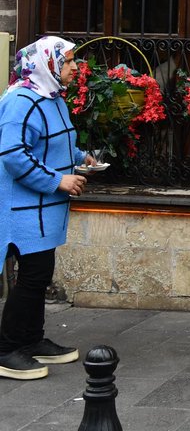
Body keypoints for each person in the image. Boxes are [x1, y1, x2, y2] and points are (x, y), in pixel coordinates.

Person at [0, 37, 93, 380]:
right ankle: (7, 349)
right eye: (68, 61)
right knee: (33, 276)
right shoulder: (22, 100)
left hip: (42, 208)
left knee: (38, 274)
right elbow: (13, 155)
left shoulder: (51, 96)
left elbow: (58, 141)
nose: (74, 68)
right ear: (46, 63)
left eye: (72, 61)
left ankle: (31, 339)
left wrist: (82, 158)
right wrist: (59, 181)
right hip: (23, 209)